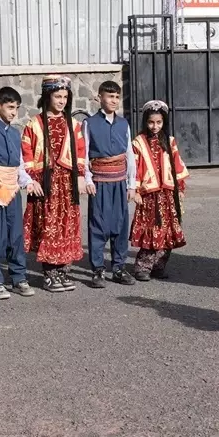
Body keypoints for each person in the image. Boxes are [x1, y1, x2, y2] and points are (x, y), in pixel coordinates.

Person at [22, 75, 88, 293]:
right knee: (48, 226)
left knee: (66, 226)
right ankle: (49, 274)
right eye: (57, 96)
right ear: (47, 96)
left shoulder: (75, 125)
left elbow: (80, 152)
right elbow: (27, 152)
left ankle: (63, 271)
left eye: (65, 97)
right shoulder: (34, 124)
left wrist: (80, 176)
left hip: (67, 183)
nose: (61, 101)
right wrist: (31, 178)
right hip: (46, 183)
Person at [0, 87, 41, 299]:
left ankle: (18, 277)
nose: (13, 112)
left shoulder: (15, 133)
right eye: (10, 107)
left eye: (17, 108)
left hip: (12, 191)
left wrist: (27, 181)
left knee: (15, 235)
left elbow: (19, 164)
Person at [83, 80, 139, 289]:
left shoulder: (123, 124)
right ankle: (98, 269)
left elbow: (129, 155)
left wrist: (131, 184)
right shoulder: (89, 124)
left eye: (116, 97)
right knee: (98, 224)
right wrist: (87, 178)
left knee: (120, 224)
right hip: (99, 182)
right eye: (109, 96)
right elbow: (84, 153)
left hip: (119, 182)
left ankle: (118, 267)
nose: (113, 100)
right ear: (100, 97)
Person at [130, 100, 189, 280]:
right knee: (150, 229)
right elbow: (135, 168)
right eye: (151, 122)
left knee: (168, 230)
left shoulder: (169, 142)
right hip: (149, 195)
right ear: (145, 122)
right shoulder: (138, 142)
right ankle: (143, 267)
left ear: (164, 122)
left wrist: (180, 188)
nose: (155, 126)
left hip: (167, 194)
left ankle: (159, 266)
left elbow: (177, 166)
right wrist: (136, 191)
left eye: (159, 122)